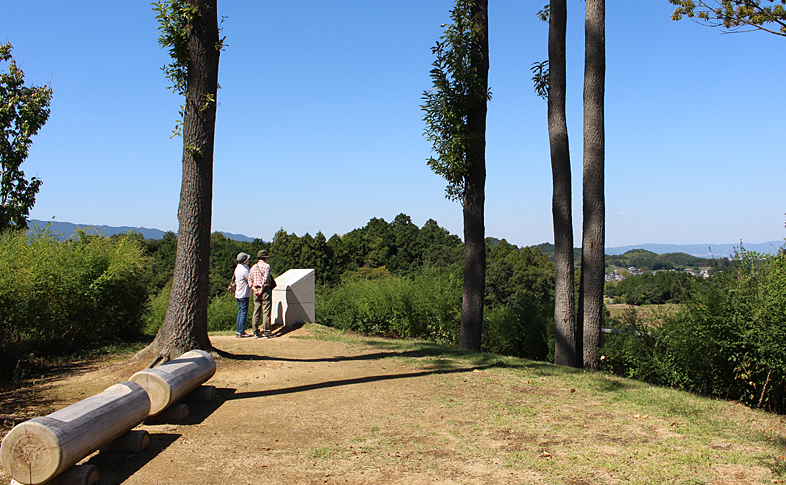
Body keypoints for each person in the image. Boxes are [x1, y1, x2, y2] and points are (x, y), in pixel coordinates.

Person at [249, 249, 273, 339]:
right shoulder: (266, 266)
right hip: (265, 289)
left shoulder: (253, 267)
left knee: (256, 311)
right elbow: (265, 278)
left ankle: (255, 331)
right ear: (265, 258)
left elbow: (249, 281)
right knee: (266, 311)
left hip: (255, 290)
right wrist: (262, 289)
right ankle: (266, 331)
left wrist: (255, 289)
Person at [234, 252, 252, 338]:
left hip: (238, 293)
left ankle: (238, 330)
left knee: (240, 312)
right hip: (244, 293)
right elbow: (249, 279)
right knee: (244, 313)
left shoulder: (237, 268)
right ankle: (241, 331)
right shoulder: (245, 270)